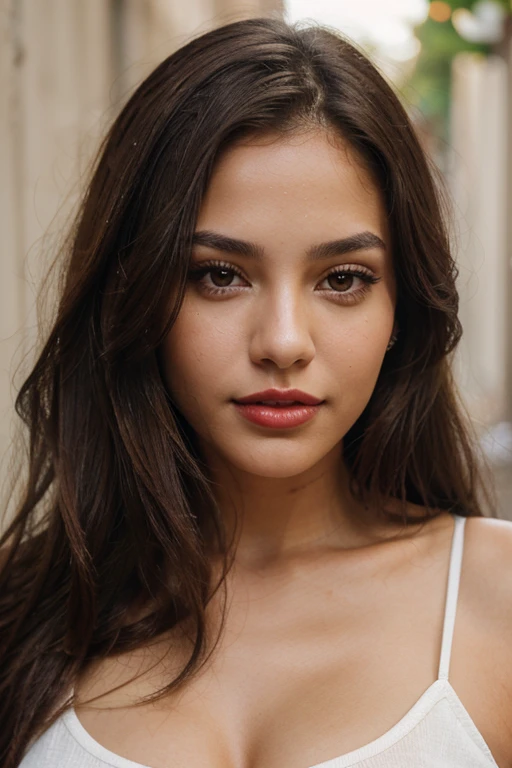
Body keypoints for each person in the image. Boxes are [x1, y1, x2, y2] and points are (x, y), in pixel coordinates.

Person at [1, 15, 511, 768]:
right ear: (134, 293)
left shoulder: (496, 603)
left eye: (343, 279)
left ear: (402, 307)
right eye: (219, 275)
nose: (282, 341)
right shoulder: (22, 614)